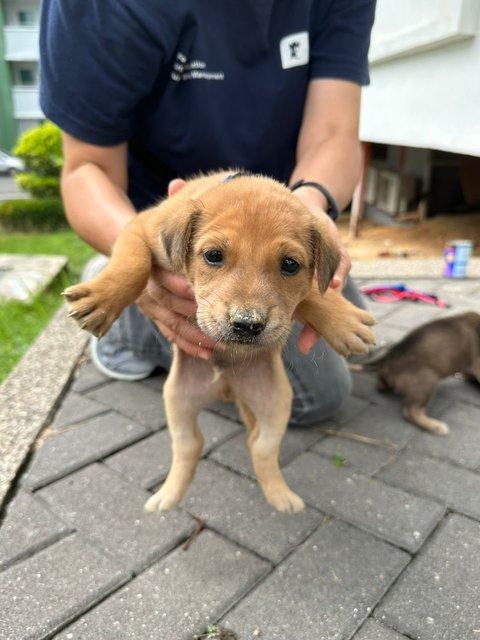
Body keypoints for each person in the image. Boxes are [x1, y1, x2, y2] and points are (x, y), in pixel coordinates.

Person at [39, 0, 376, 426]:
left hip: (274, 217)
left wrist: (305, 212)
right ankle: (121, 309)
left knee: (363, 335)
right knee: (320, 397)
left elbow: (334, 133)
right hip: (169, 233)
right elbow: (88, 168)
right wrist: (137, 271)